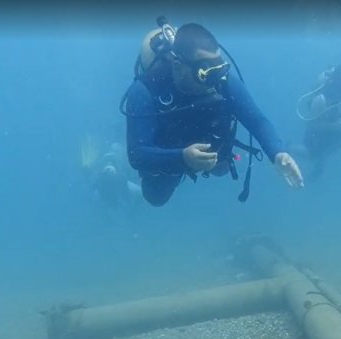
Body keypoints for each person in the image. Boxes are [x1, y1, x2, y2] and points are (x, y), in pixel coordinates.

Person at [120, 18, 304, 207]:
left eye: (218, 68)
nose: (214, 80)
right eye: (204, 72)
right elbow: (136, 154)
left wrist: (277, 153)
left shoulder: (222, 79)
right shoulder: (145, 90)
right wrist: (182, 158)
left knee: (221, 168)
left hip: (209, 147)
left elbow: (256, 119)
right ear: (178, 66)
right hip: (171, 152)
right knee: (156, 198)